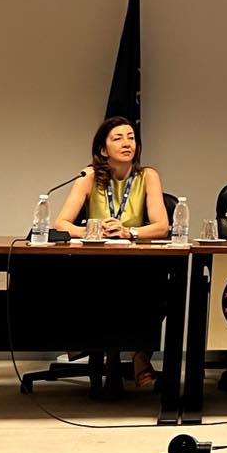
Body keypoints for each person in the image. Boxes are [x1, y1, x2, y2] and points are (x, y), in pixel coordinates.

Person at [54, 115, 171, 392]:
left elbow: (162, 226)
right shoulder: (89, 176)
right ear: (103, 149)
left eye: (131, 137)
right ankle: (112, 357)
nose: (127, 143)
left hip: (137, 262)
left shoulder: (148, 176)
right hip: (97, 261)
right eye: (118, 138)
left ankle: (138, 353)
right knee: (103, 289)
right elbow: (61, 224)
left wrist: (129, 232)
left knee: (159, 289)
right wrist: (93, 231)